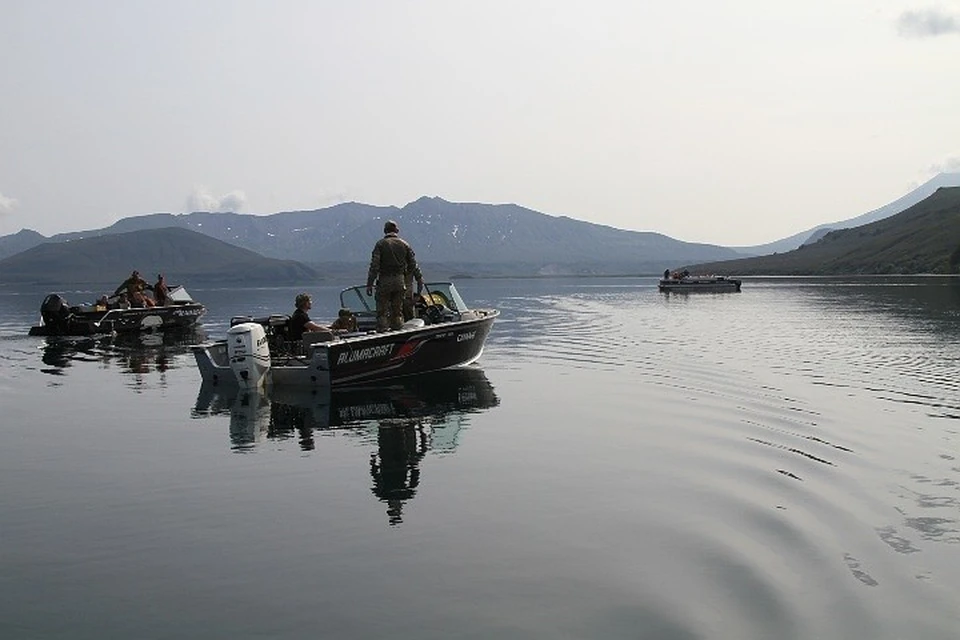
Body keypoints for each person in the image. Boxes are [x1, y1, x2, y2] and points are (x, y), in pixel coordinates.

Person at [366, 220, 420, 331]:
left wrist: (369, 284)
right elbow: (413, 264)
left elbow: (374, 266)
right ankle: (398, 333)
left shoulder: (380, 244)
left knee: (382, 312)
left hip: (384, 281)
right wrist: (405, 275)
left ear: (385, 230)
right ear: (397, 230)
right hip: (400, 281)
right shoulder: (405, 244)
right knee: (397, 311)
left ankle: (383, 333)